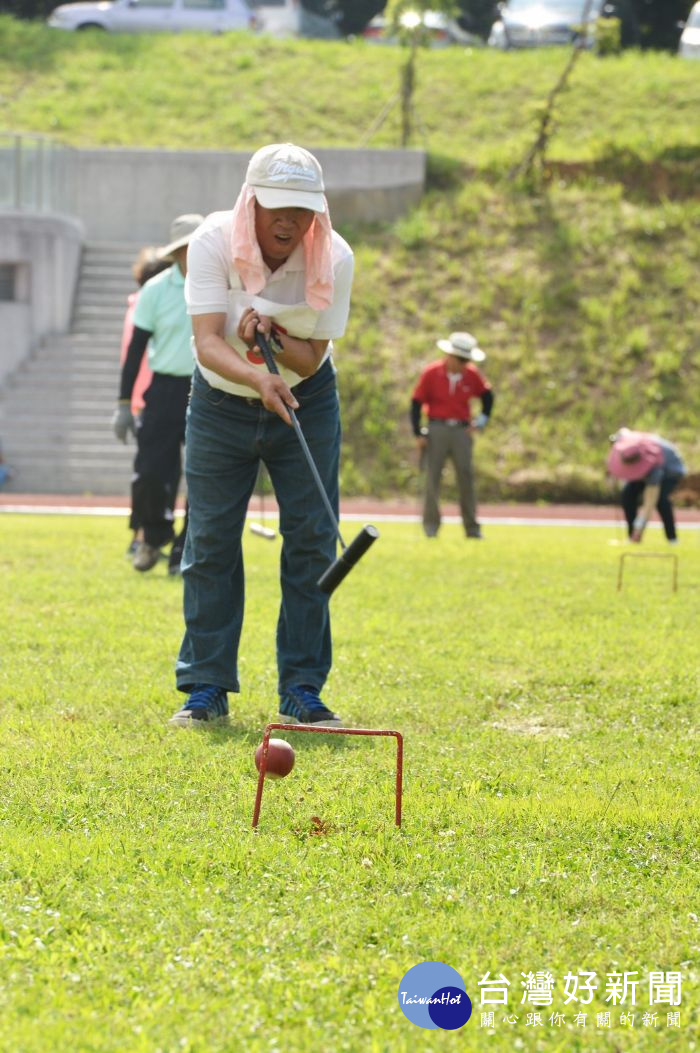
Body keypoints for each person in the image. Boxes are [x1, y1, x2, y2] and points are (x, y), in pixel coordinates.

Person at [169, 143, 354, 728]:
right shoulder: (212, 242)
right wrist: (255, 374)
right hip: (221, 404)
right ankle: (206, 688)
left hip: (307, 400)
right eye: (277, 206)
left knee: (311, 543)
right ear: (251, 199)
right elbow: (206, 342)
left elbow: (311, 357)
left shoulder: (336, 257)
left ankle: (301, 687)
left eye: (302, 210)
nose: (289, 221)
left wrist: (273, 338)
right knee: (211, 543)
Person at [112, 214, 204, 574]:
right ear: (177, 252)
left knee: (204, 473)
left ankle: (186, 547)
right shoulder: (155, 290)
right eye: (188, 248)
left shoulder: (222, 286)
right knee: (151, 470)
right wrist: (123, 404)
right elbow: (135, 351)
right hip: (164, 388)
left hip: (206, 389)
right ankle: (152, 537)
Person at [410, 331, 494, 539]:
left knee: (466, 477)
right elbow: (416, 402)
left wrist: (481, 421)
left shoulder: (472, 374)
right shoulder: (432, 373)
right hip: (437, 428)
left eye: (467, 360)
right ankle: (431, 527)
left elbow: (488, 397)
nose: (464, 363)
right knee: (432, 478)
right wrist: (417, 431)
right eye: (461, 359)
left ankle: (472, 528)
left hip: (461, 431)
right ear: (450, 355)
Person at [118, 246, 173, 557]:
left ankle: (142, 536)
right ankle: (144, 537)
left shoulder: (137, 304)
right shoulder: (150, 303)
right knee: (156, 472)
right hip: (152, 394)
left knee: (150, 471)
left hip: (145, 395)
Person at [607, 427, 687, 543]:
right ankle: (631, 537)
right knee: (627, 495)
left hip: (670, 472)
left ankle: (672, 539)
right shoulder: (627, 444)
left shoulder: (654, 467)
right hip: (647, 468)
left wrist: (639, 528)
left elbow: (649, 502)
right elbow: (622, 432)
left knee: (661, 500)